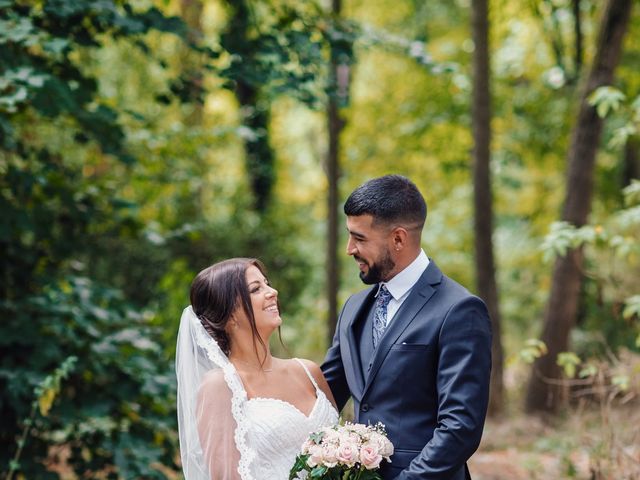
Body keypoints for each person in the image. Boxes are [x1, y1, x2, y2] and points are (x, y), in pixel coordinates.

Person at [322, 175, 492, 480]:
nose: (349, 249)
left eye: (359, 238)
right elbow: (322, 397)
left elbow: (460, 428)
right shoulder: (353, 309)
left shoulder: (459, 309)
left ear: (398, 239)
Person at [176, 258, 338, 480]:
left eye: (267, 283)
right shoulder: (219, 385)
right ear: (229, 316)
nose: (273, 292)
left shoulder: (308, 371)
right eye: (256, 289)